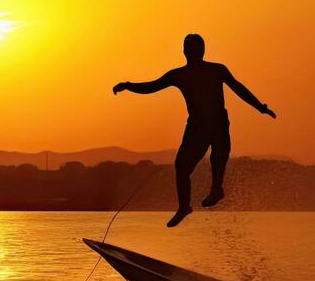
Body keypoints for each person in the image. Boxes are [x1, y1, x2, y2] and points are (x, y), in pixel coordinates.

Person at [112, 33, 276, 227]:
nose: (192, 53)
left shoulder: (217, 70)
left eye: (194, 49)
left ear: (198, 51)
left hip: (217, 123)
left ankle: (216, 189)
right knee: (181, 166)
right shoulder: (179, 75)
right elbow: (152, 87)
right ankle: (184, 207)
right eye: (190, 49)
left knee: (218, 154)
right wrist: (128, 86)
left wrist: (260, 107)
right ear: (185, 52)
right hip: (197, 127)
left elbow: (239, 88)